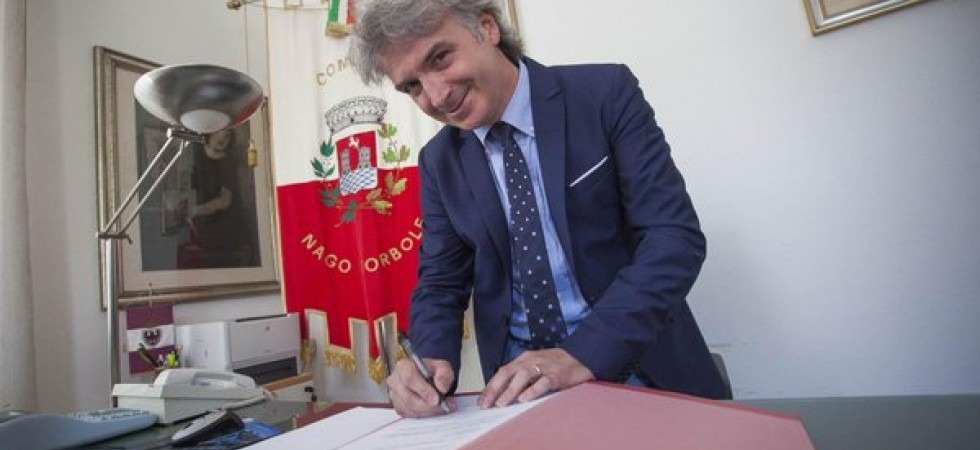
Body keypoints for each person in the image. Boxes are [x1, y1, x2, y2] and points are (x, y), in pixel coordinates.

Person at [350, 0, 727, 418]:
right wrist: (430, 358)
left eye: (440, 58)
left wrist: (581, 353)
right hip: (518, 386)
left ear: (487, 28)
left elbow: (673, 239)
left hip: (631, 358)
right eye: (412, 86)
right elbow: (441, 280)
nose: (437, 96)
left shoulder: (605, 93)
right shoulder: (439, 160)